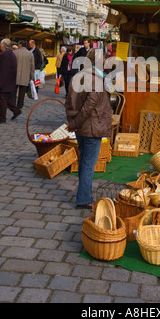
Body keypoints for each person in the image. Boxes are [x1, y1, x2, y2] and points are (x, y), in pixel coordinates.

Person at [65, 48, 112, 209]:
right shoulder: (96, 79)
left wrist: (72, 122)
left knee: (84, 161)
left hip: (83, 127)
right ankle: (84, 198)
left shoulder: (77, 76)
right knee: (87, 164)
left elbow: (69, 101)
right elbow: (88, 107)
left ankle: (83, 194)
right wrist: (75, 123)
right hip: (91, 127)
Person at [0, 38, 22, 124]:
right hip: (7, 82)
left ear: (3, 45)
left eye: (1, 44)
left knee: (2, 99)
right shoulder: (8, 54)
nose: (0, 46)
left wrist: (0, 83)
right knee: (4, 99)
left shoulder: (6, 55)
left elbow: (4, 71)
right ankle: (16, 111)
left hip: (5, 82)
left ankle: (2, 117)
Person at [14, 40, 35, 110]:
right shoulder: (30, 54)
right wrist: (31, 77)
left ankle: (12, 104)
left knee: (13, 91)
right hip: (25, 75)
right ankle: (20, 105)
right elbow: (32, 67)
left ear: (20, 44)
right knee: (22, 92)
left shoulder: (14, 52)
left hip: (15, 75)